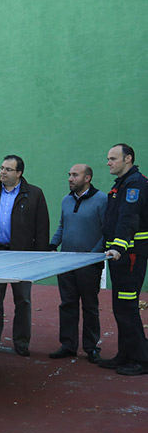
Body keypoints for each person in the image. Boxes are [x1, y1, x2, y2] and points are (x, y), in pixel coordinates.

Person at [0, 155, 49, 356]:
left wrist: (39, 259)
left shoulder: (34, 194)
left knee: (23, 300)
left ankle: (21, 342)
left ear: (19, 173)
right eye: (1, 168)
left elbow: (42, 229)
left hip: (22, 257)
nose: (2, 172)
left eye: (8, 169)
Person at [48, 164, 107, 363]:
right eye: (69, 174)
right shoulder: (66, 200)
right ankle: (68, 345)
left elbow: (106, 231)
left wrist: (92, 256)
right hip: (65, 263)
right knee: (67, 304)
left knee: (90, 306)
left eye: (75, 175)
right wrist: (53, 244)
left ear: (87, 178)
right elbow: (62, 226)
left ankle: (91, 348)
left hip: (89, 264)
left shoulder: (102, 200)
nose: (70, 178)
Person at [98, 143, 148, 376]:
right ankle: (125, 354)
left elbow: (129, 217)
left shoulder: (134, 184)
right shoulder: (123, 184)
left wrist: (119, 245)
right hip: (120, 255)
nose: (108, 162)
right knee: (121, 307)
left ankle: (141, 360)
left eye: (113, 158)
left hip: (129, 255)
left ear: (128, 159)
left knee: (127, 307)